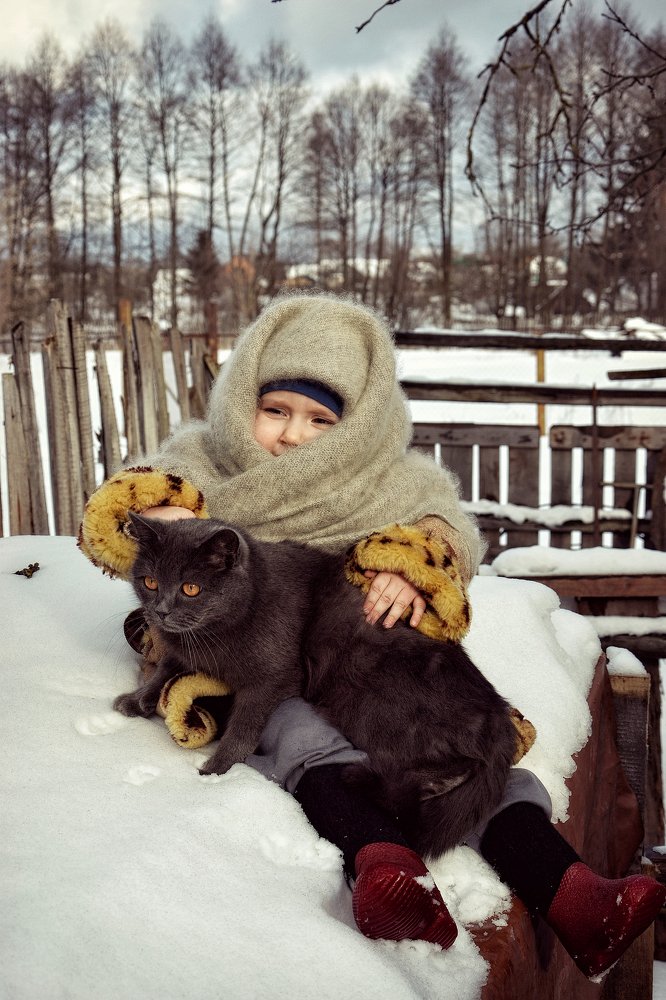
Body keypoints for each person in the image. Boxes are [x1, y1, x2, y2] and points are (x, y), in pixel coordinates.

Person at [80, 292, 665, 978]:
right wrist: (153, 513)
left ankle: (573, 893)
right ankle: (384, 864)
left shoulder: (389, 481)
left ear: (356, 426)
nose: (293, 435)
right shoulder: (200, 465)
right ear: (242, 401)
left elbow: (446, 530)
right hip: (247, 667)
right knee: (304, 734)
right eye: (275, 410)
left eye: (320, 419)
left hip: (358, 656)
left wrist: (411, 565)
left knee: (463, 754)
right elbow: (121, 515)